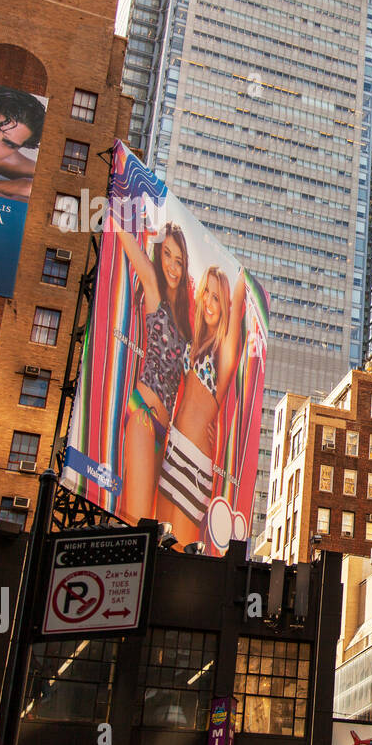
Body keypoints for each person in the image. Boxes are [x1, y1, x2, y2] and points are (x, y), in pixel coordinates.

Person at [156, 265, 246, 547]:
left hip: (195, 461)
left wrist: (239, 281)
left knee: (180, 551)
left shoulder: (224, 347)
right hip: (173, 451)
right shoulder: (195, 341)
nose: (209, 301)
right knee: (156, 546)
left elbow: (240, 293)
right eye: (207, 292)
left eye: (217, 297)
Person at [115, 222, 193, 523]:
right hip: (144, 415)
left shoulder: (185, 318)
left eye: (179, 260)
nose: (172, 266)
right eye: (167, 255)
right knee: (134, 522)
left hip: (166, 431)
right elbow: (129, 244)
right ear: (158, 255)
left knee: (150, 527)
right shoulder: (153, 288)